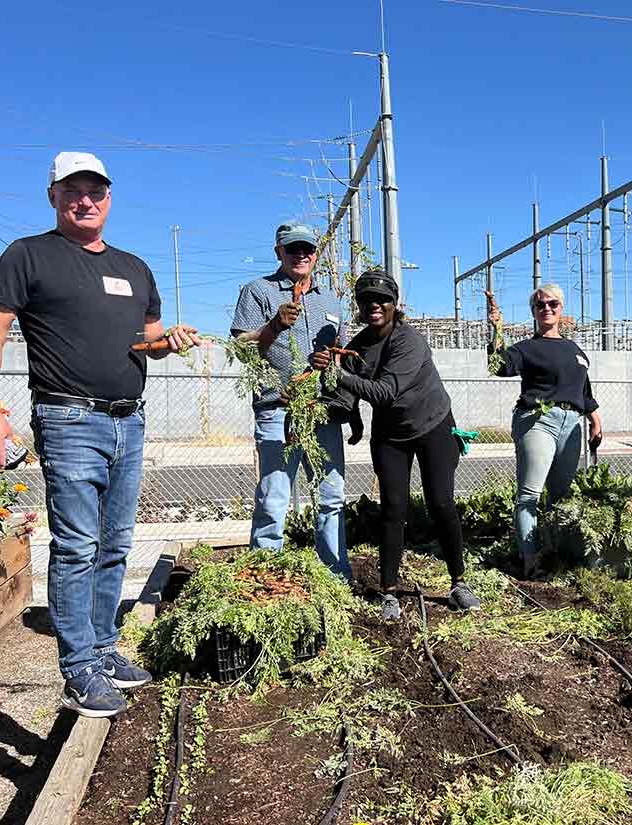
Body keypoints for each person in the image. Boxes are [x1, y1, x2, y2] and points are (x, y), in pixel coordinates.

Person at [0, 151, 200, 717]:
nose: (85, 200)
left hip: (130, 418)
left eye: (95, 190)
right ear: (53, 196)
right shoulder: (29, 256)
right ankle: (78, 672)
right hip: (69, 419)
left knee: (116, 543)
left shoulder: (135, 268)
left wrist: (166, 343)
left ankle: (101, 648)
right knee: (77, 546)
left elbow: (143, 343)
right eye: (72, 190)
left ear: (110, 198)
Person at [314, 269, 480, 620]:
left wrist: (337, 372)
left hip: (433, 426)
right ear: (358, 305)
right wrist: (352, 417)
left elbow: (385, 392)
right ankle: (389, 592)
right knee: (392, 508)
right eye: (366, 300)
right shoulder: (357, 346)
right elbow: (350, 391)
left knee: (442, 504)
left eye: (382, 299)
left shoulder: (409, 341)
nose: (374, 305)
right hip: (390, 435)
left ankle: (459, 582)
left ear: (395, 304)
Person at [231, 221, 359, 578]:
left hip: (321, 412)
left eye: (307, 249)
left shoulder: (330, 300)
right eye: (293, 248)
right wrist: (273, 326)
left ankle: (335, 576)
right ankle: (265, 578)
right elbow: (241, 349)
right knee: (274, 499)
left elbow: (341, 354)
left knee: (331, 497)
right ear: (279, 253)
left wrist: (330, 362)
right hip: (278, 409)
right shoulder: (258, 292)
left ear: (316, 254)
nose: (301, 254)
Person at [485, 285, 603, 578]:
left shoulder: (576, 350)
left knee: (561, 496)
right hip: (538, 421)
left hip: (572, 424)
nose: (547, 308)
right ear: (534, 312)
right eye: (540, 305)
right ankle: (529, 560)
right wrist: (497, 330)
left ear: (561, 308)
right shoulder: (526, 348)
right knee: (530, 495)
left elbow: (583, 390)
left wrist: (596, 418)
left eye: (552, 303)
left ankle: (554, 553)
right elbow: (498, 366)